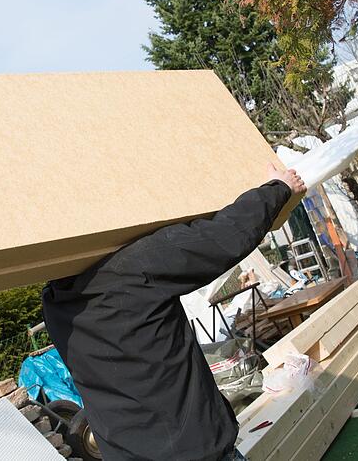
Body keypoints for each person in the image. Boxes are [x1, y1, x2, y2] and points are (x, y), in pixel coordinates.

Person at [42, 164, 306, 461]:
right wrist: (278, 188)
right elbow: (222, 237)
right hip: (196, 454)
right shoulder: (133, 266)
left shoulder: (53, 302)